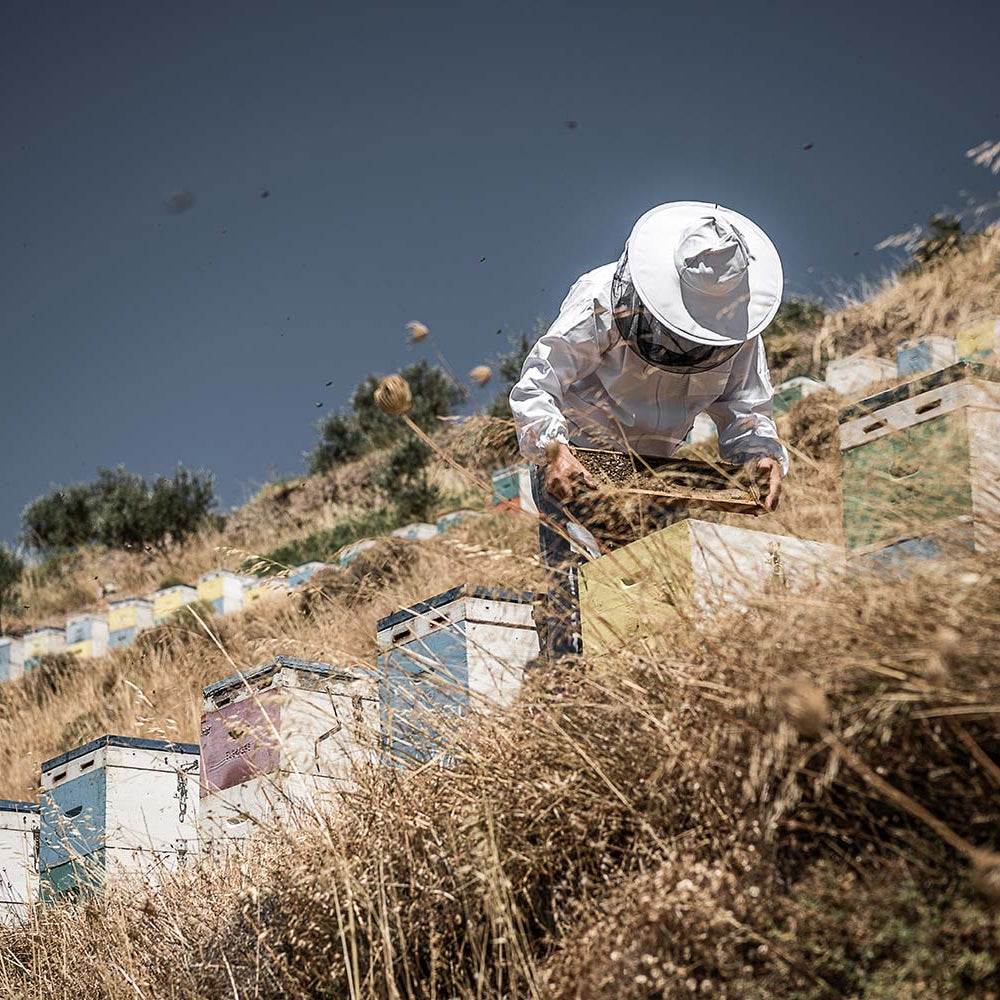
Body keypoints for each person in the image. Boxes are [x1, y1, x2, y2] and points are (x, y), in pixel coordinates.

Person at [509, 201, 789, 659]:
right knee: (579, 607)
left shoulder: (739, 329)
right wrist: (555, 449)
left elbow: (746, 410)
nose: (691, 342)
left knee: (658, 609)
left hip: (660, 475)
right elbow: (539, 381)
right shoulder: (600, 295)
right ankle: (568, 694)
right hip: (579, 460)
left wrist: (760, 456)